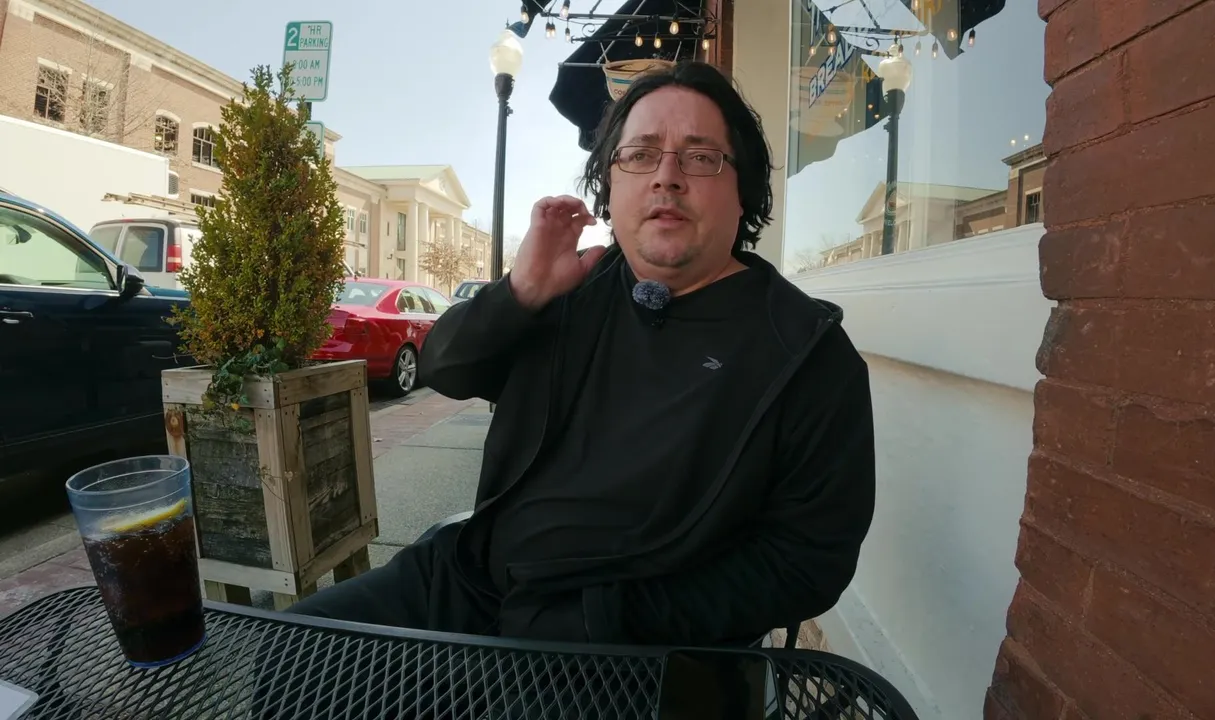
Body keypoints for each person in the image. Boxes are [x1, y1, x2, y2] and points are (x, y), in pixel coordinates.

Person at [288, 60, 875, 647]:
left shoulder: (804, 352)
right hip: (470, 580)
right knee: (294, 650)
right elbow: (446, 368)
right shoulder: (570, 290)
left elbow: (809, 559)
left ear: (742, 190)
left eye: (700, 157)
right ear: (610, 186)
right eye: (640, 154)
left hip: (627, 645)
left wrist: (612, 620)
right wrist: (520, 293)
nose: (666, 177)